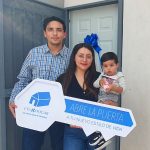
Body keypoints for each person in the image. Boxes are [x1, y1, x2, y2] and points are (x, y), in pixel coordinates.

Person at [8, 16, 72, 150]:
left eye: (59, 30)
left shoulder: (72, 56)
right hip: (35, 110)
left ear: (64, 34)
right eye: (51, 30)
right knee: (30, 146)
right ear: (45, 33)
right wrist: (13, 99)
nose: (55, 33)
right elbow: (23, 80)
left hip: (60, 112)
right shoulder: (34, 53)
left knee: (60, 146)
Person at [56, 43, 100, 150]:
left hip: (96, 132)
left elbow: (109, 101)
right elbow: (56, 106)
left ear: (92, 59)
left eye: (88, 56)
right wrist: (68, 121)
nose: (84, 59)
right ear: (74, 57)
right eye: (81, 56)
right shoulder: (62, 79)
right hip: (73, 133)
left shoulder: (100, 78)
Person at [88, 52, 126, 150]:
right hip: (101, 101)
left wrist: (114, 88)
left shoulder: (119, 76)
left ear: (117, 65)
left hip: (111, 102)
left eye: (111, 65)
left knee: (109, 120)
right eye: (105, 66)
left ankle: (105, 136)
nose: (108, 68)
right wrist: (100, 82)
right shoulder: (102, 75)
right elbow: (94, 84)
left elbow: (123, 89)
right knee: (96, 118)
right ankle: (100, 137)